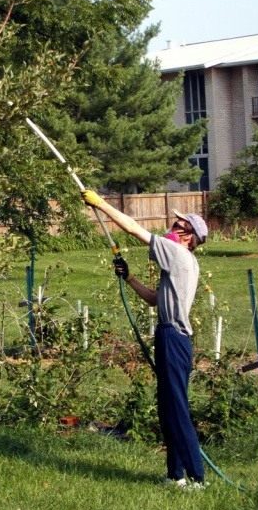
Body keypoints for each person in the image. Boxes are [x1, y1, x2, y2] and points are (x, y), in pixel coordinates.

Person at [81, 189, 208, 488]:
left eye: (179, 226)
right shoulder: (178, 263)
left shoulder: (178, 254)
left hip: (174, 338)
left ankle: (197, 477)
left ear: (189, 237)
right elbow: (154, 299)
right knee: (167, 408)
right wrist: (130, 279)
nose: (172, 226)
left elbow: (133, 228)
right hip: (169, 336)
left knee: (176, 408)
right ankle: (175, 475)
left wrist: (100, 204)